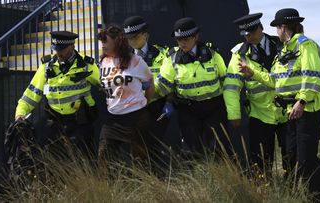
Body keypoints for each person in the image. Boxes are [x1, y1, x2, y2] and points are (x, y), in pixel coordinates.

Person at [239, 8, 320, 200]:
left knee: (305, 162)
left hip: (308, 110)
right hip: (292, 111)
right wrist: (253, 73)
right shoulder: (284, 50)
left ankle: (318, 197)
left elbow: (312, 75)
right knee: (295, 158)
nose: (275, 33)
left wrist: (302, 100)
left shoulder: (306, 46)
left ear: (283, 27)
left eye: (277, 28)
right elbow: (276, 80)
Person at [15, 31, 100, 158]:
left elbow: (104, 83)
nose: (58, 53)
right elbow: (32, 93)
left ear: (72, 46)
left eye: (62, 49)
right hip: (55, 122)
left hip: (80, 121)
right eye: (56, 49)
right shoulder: (46, 66)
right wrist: (20, 113)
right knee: (55, 161)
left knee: (84, 160)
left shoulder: (86, 65)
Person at [224, 13, 288, 179]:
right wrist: (234, 114)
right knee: (260, 161)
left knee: (292, 156)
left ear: (261, 28)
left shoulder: (282, 45)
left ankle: (293, 189)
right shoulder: (239, 54)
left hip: (287, 112)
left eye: (252, 31)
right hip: (260, 114)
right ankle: (263, 192)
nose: (249, 36)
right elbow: (231, 87)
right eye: (245, 34)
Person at [157, 17, 231, 159]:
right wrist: (143, 92)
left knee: (218, 149)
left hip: (214, 108)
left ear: (196, 36)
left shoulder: (212, 54)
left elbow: (225, 81)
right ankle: (193, 181)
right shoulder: (171, 58)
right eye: (179, 39)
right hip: (187, 109)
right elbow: (162, 85)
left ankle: (223, 179)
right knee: (190, 152)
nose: (182, 43)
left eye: (186, 38)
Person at [97, 25, 155, 167]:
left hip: (135, 118)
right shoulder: (103, 61)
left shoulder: (135, 61)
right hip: (113, 118)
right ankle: (109, 187)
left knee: (140, 161)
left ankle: (145, 186)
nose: (102, 45)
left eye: (106, 41)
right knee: (103, 156)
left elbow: (149, 82)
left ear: (117, 42)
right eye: (101, 41)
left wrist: (145, 103)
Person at [123, 16, 171, 168]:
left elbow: (171, 80)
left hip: (157, 107)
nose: (132, 41)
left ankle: (160, 182)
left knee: (156, 147)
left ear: (145, 34)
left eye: (135, 37)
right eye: (129, 38)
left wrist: (169, 101)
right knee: (137, 149)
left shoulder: (163, 54)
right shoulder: (122, 58)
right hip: (134, 110)